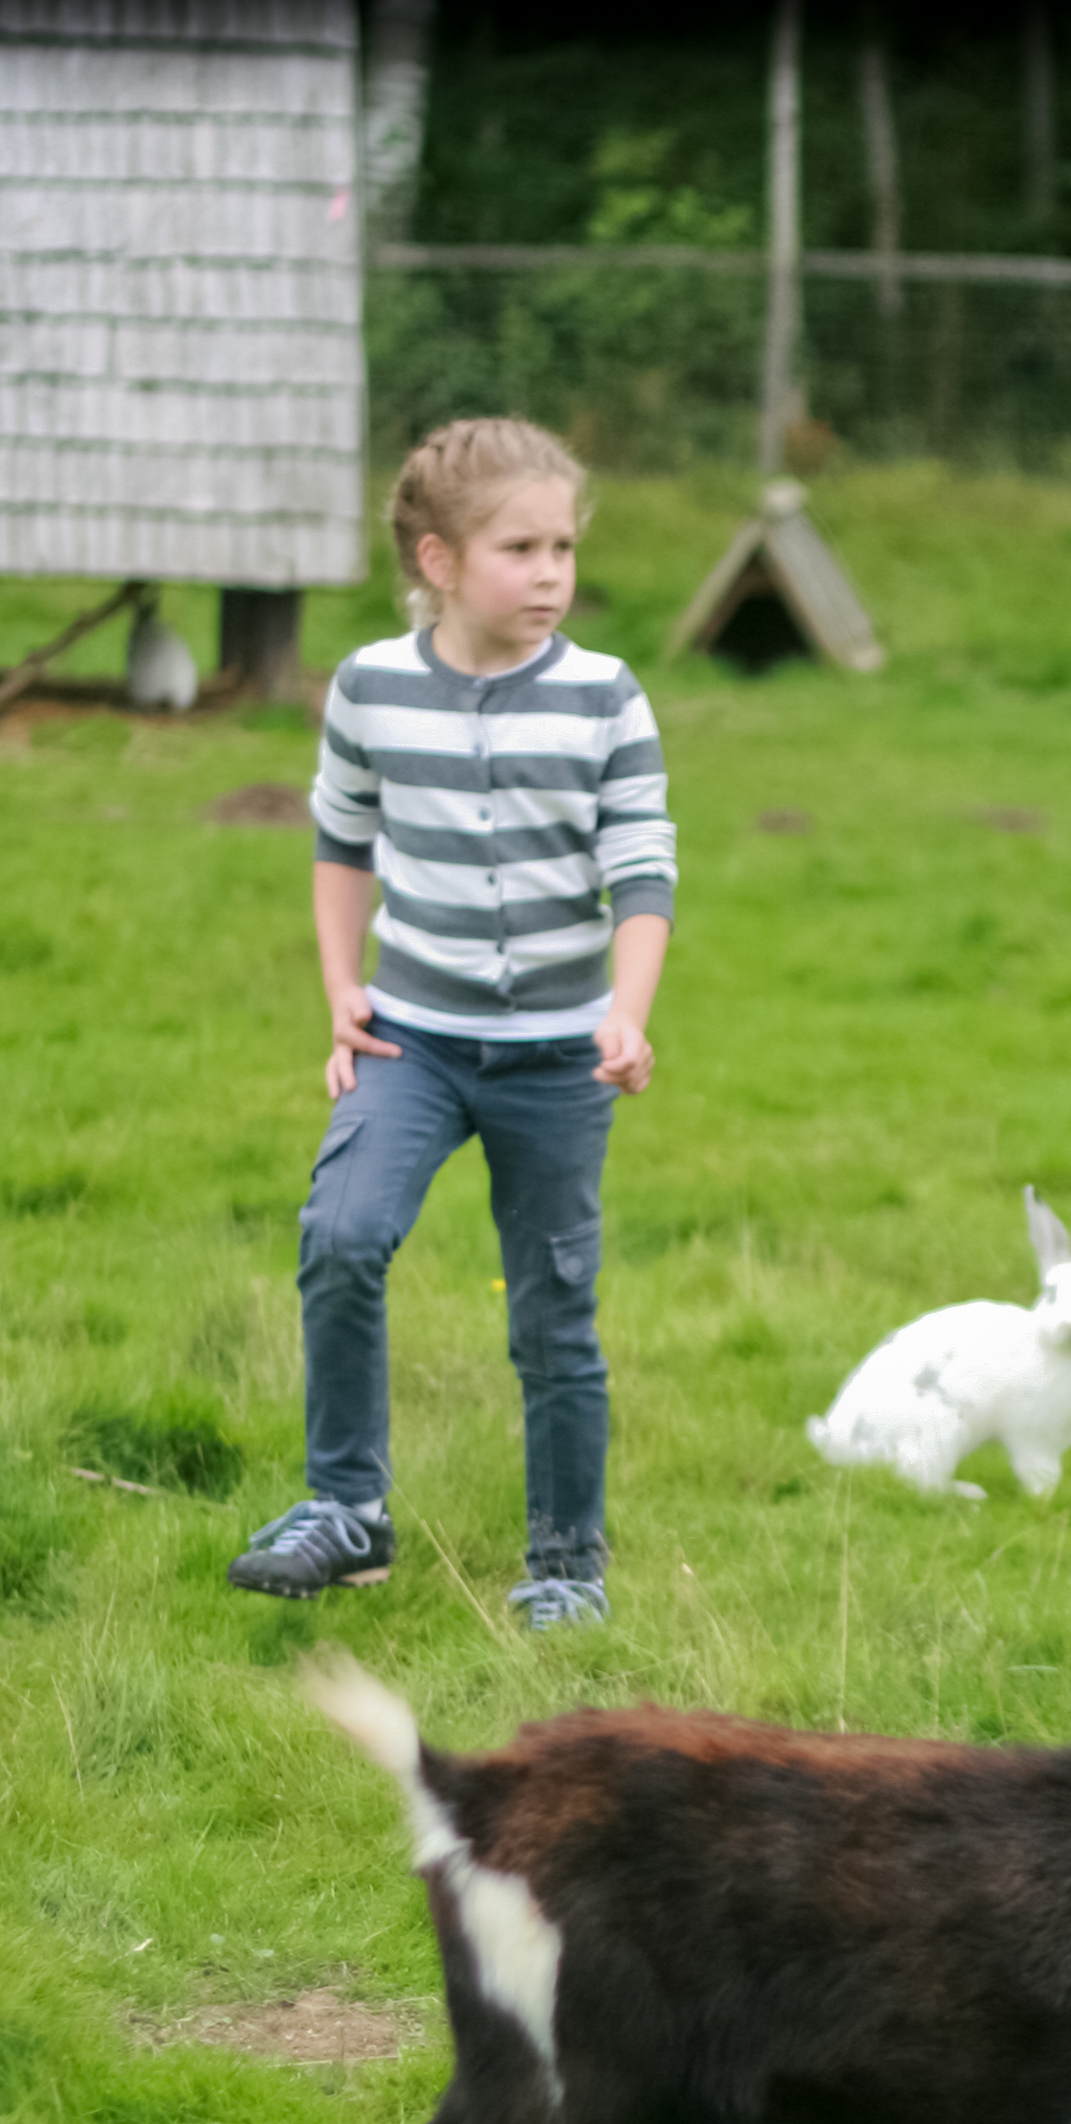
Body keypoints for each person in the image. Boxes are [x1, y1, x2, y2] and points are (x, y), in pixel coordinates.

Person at [227, 418, 671, 1624]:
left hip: (560, 1061)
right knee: (342, 1234)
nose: (551, 574)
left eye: (563, 547)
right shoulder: (370, 688)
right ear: (439, 561)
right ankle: (348, 1514)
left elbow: (643, 872)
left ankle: (566, 1568)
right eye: (520, 549)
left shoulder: (605, 698)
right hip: (410, 1042)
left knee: (552, 1311)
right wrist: (341, 988)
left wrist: (627, 1017)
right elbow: (340, 841)